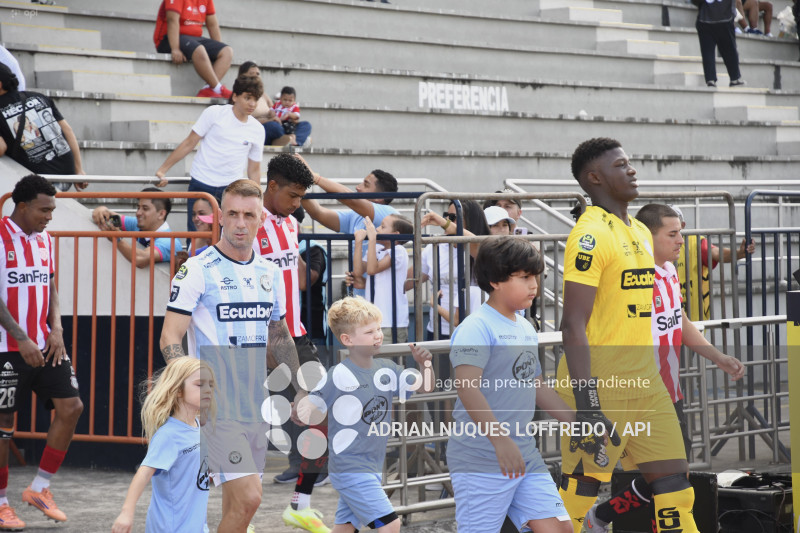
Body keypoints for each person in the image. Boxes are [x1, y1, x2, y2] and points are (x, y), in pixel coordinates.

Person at [558, 138, 701, 533]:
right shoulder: (588, 236)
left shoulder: (638, 229)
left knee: (675, 486)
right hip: (601, 386)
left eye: (630, 163)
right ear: (595, 177)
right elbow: (571, 324)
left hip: (647, 384)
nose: (632, 170)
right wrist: (587, 406)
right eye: (621, 165)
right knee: (578, 495)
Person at [582, 203, 746, 532]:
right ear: (647, 237)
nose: (681, 240)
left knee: (672, 478)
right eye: (672, 234)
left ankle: (601, 516)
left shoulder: (670, 271)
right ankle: (574, 517)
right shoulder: (630, 277)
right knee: (594, 476)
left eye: (681, 232)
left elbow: (679, 321)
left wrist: (717, 357)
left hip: (667, 393)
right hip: (628, 393)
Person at [160, 179, 304, 531]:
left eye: (249, 215)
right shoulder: (198, 268)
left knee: (237, 506)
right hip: (217, 405)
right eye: (234, 214)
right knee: (252, 497)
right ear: (220, 217)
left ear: (261, 220)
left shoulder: (270, 272)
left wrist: (300, 387)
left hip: (255, 400)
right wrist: (191, 391)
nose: (241, 223)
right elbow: (170, 336)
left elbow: (279, 333)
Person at [447, 237, 572, 533]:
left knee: (559, 529)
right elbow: (467, 388)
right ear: (495, 281)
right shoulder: (476, 327)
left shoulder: (525, 326)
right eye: (525, 277)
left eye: (536, 277)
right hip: (480, 457)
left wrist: (579, 423)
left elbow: (537, 386)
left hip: (524, 453)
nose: (534, 285)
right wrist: (499, 440)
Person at [303, 296, 433, 533]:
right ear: (347, 340)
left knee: (345, 526)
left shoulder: (387, 369)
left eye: (378, 329)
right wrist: (300, 408)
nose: (378, 335)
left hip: (371, 465)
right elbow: (310, 407)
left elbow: (425, 386)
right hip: (349, 467)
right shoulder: (337, 374)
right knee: (390, 524)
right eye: (369, 331)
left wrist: (425, 365)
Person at [0, 175, 83, 529]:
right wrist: (21, 338)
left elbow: (50, 286)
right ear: (22, 206)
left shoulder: (46, 239)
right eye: (44, 209)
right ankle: (2, 502)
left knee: (72, 407)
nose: (50, 216)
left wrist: (58, 329)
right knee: (3, 426)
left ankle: (40, 488)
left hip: (46, 344)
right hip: (7, 348)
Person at [252, 155, 330, 531]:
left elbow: (297, 281)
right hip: (253, 338)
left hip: (294, 334)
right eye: (294, 196)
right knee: (242, 427)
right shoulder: (248, 222)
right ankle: (239, 517)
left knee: (318, 413)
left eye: (302, 197)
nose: (299, 204)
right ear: (272, 186)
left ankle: (300, 503)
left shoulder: (289, 224)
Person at [112, 358, 215, 533]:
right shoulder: (169, 435)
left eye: (211, 385)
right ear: (179, 391)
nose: (208, 390)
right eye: (199, 385)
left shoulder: (200, 427)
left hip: (197, 527)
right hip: (171, 528)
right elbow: (143, 474)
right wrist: (126, 513)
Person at [154, 74, 266, 232]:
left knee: (227, 239)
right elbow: (189, 142)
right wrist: (162, 170)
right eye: (248, 98)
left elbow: (254, 169)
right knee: (196, 237)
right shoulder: (214, 113)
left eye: (256, 99)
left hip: (231, 190)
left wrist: (258, 201)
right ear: (235, 96)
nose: (252, 104)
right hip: (201, 183)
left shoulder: (258, 129)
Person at [0, 63, 86, 192]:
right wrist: (79, 170)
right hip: (67, 173)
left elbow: (1, 148)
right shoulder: (39, 97)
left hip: (38, 181)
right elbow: (68, 130)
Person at [669, 204, 755, 321]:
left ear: (683, 225)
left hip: (693, 318)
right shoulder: (653, 244)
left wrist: (740, 253)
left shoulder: (695, 242)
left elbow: (717, 253)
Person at [153, 0, 233, 98]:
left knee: (227, 51)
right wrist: (175, 48)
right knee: (199, 49)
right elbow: (172, 19)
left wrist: (217, 49)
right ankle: (218, 88)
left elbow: (212, 24)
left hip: (193, 39)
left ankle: (208, 89)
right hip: (167, 39)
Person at [353, 215, 413, 344]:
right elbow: (358, 271)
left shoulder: (399, 251)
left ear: (395, 234)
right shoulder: (377, 249)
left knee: (390, 362)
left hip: (391, 322)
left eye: (383, 226)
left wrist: (372, 239)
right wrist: (358, 242)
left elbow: (372, 269)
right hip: (373, 321)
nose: (377, 229)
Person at [91, 188, 183, 268]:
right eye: (138, 207)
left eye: (145, 208)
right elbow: (105, 214)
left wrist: (117, 238)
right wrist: (101, 210)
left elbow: (140, 259)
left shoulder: (170, 241)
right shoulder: (138, 224)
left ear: (161, 214)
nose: (138, 213)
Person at [693, 0, 745, 87]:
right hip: (725, 18)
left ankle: (710, 80)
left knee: (707, 52)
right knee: (730, 50)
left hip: (705, 19)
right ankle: (734, 78)